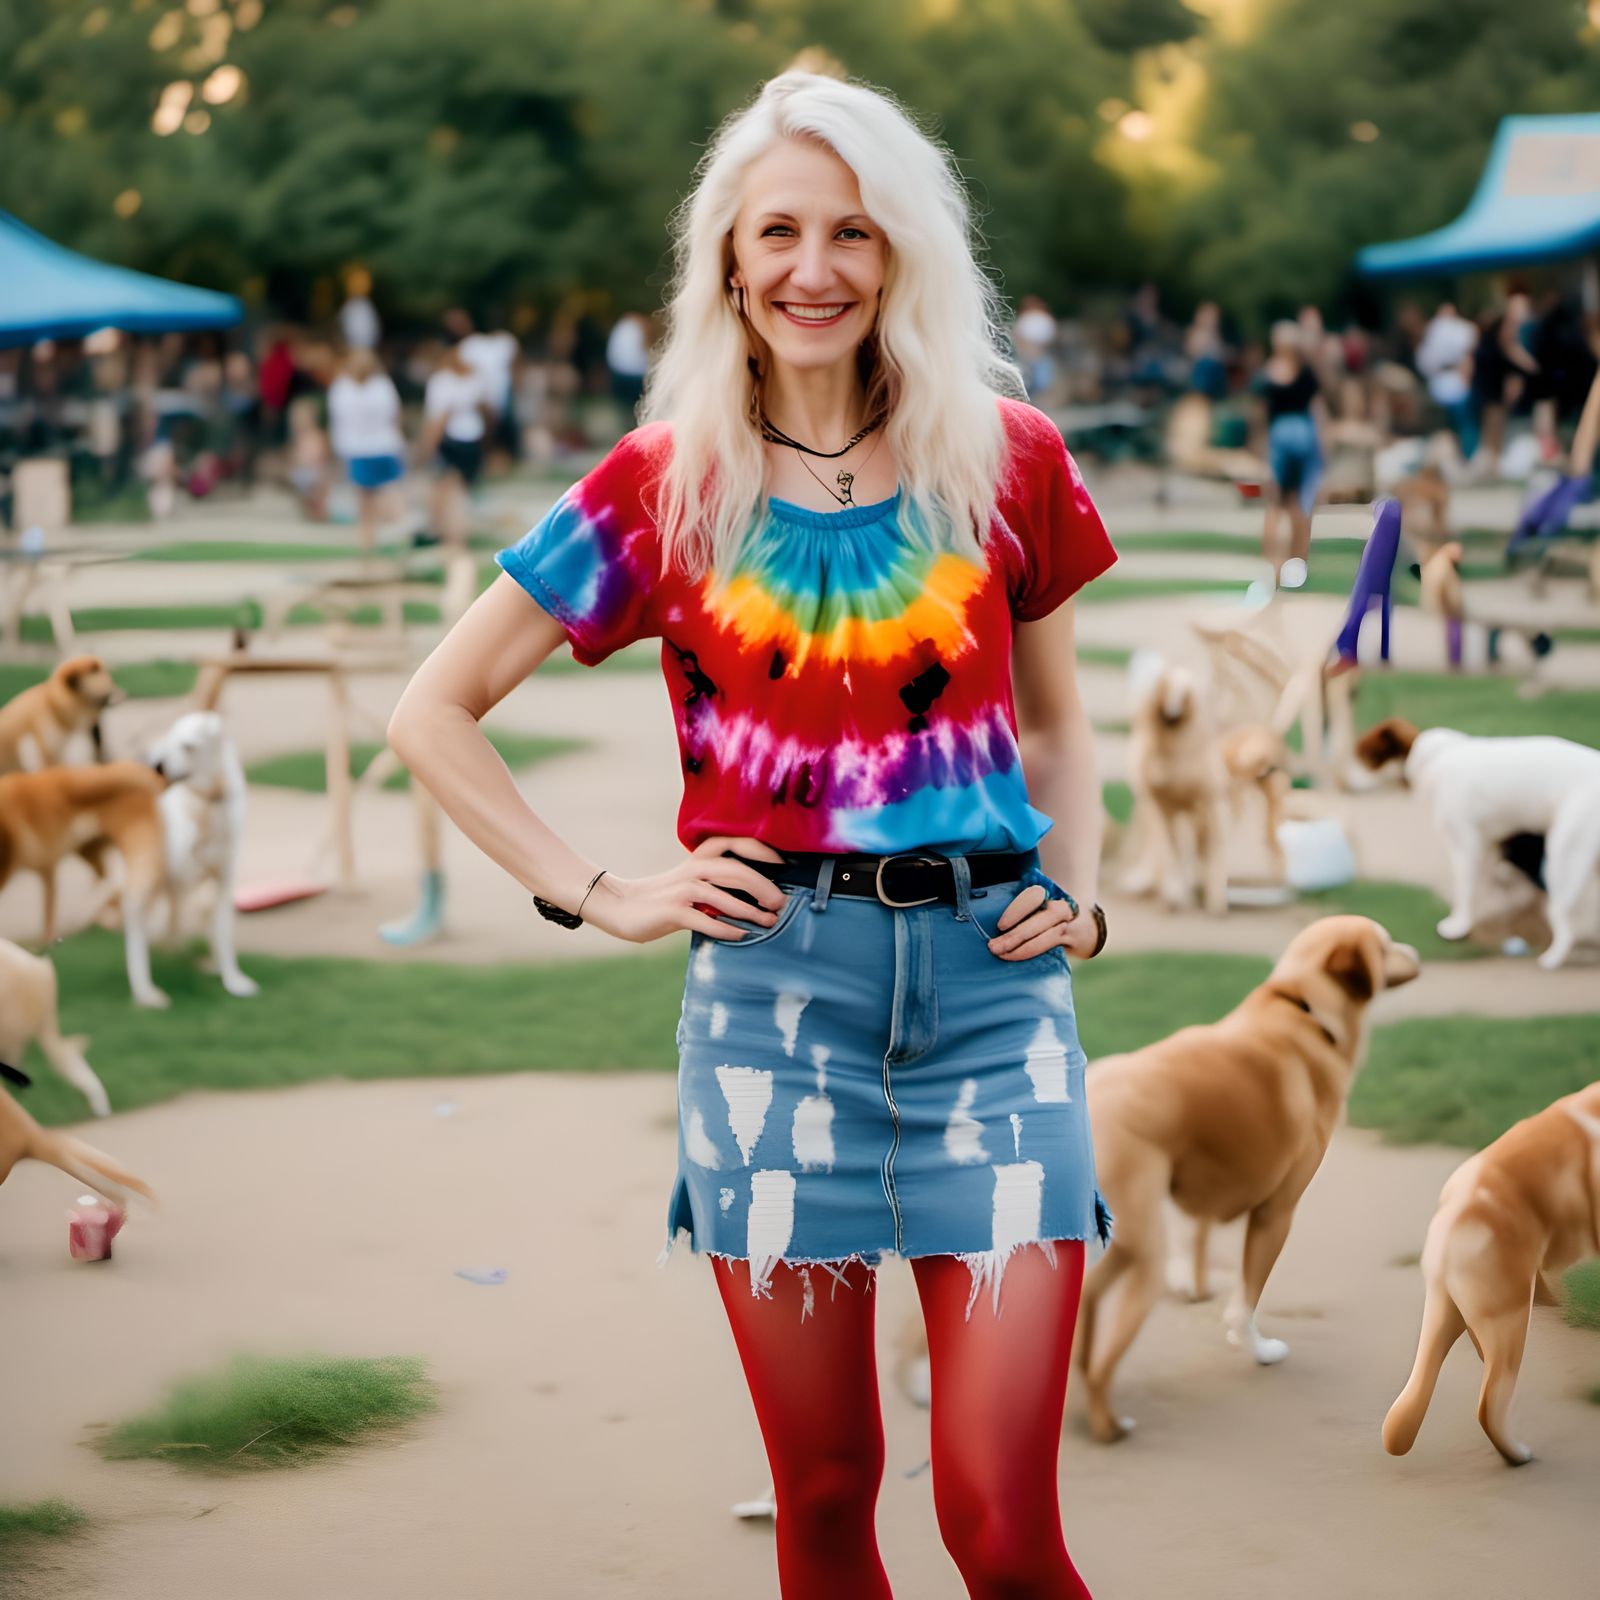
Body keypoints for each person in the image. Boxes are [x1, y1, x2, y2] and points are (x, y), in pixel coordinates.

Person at [389, 67, 1116, 1598]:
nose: (814, 268)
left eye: (852, 231)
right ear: (727, 257)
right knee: (828, 1495)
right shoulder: (665, 485)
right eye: (779, 231)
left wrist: (1083, 894)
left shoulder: (1009, 458)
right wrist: (598, 892)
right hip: (773, 1012)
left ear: (903, 252)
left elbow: (1056, 727)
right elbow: (432, 711)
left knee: (1002, 1527)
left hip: (997, 1003)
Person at [1252, 320, 1327, 588]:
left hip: (1295, 443)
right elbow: (1261, 416)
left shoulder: (1297, 374)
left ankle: (1288, 566)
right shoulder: (1276, 375)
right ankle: (1279, 565)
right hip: (1288, 443)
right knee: (1284, 504)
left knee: (1293, 506)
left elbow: (1316, 410)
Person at [327, 347, 407, 553]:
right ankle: (400, 540)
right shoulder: (382, 386)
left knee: (366, 502)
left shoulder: (342, 387)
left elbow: (338, 422)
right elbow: (395, 415)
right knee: (390, 495)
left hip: (359, 450)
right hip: (383, 447)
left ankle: (368, 545)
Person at [417, 342, 488, 547]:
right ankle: (455, 533)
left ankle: (445, 533)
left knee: (444, 489)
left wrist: (426, 446)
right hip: (473, 438)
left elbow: (439, 417)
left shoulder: (442, 381)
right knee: (462, 490)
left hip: (451, 439)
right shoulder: (474, 380)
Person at [1415, 301, 1479, 461]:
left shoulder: (1437, 329)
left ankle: (1457, 458)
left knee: (1451, 426)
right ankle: (1465, 458)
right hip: (1453, 383)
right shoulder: (1463, 328)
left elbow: (1424, 361)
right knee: (1462, 426)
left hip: (1448, 383)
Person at [605, 311, 652, 416]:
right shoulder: (641, 326)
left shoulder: (621, 325)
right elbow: (644, 351)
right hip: (634, 378)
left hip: (616, 374)